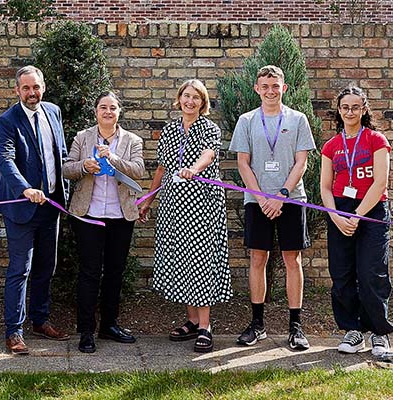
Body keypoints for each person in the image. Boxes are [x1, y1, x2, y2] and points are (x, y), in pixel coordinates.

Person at [139, 79, 231, 353]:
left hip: (202, 206)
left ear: (203, 103)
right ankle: (191, 322)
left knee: (201, 263)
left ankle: (205, 326)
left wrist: (193, 169)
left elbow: (208, 154)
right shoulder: (169, 129)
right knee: (182, 261)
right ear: (179, 99)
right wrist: (147, 200)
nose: (190, 101)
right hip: (173, 207)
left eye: (196, 98)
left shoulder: (209, 128)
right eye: (186, 96)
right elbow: (162, 169)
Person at [229, 65, 315, 351]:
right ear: (257, 89)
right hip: (257, 200)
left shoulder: (298, 119)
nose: (270, 91)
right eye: (265, 86)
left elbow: (301, 162)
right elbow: (243, 162)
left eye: (275, 86)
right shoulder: (247, 120)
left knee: (293, 260)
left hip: (290, 199)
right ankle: (257, 324)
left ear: (284, 88)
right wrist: (262, 197)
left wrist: (281, 195)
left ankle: (296, 326)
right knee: (257, 259)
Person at [0, 65, 70, 355]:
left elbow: (59, 153)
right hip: (22, 208)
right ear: (17, 90)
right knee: (20, 270)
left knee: (45, 268)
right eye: (26, 88)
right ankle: (14, 331)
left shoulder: (53, 112)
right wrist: (25, 187)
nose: (31, 93)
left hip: (51, 204)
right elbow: (5, 159)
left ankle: (41, 321)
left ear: (43, 87)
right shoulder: (7, 120)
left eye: (36, 87)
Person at [63, 91, 144, 353]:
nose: (108, 112)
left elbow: (139, 170)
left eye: (113, 108)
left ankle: (109, 325)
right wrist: (84, 166)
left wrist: (113, 158)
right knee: (89, 273)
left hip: (121, 217)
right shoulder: (82, 137)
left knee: (114, 272)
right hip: (88, 215)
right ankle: (86, 331)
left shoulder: (132, 140)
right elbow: (66, 168)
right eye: (103, 107)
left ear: (119, 112)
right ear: (95, 111)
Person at [320, 86, 393, 356]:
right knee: (342, 274)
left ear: (364, 109)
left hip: (371, 210)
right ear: (339, 111)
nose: (350, 111)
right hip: (340, 211)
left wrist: (357, 215)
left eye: (355, 107)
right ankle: (352, 331)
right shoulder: (331, 146)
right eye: (345, 107)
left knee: (371, 272)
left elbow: (380, 182)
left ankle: (378, 332)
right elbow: (325, 188)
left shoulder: (376, 139)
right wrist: (336, 216)